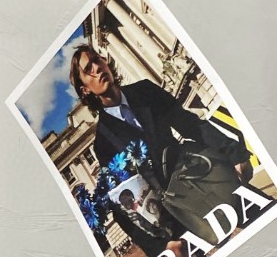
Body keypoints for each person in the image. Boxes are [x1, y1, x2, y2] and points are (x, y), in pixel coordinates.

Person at [69, 45, 255, 235]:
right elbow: (125, 201)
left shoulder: (145, 90)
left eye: (97, 60)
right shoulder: (103, 143)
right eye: (88, 69)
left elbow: (190, 124)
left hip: (203, 173)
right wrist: (164, 243)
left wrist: (235, 154)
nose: (97, 68)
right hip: (179, 214)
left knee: (258, 215)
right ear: (85, 90)